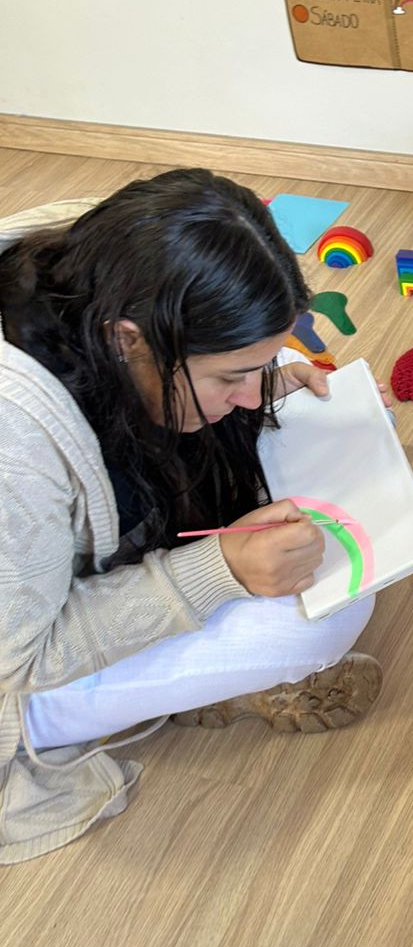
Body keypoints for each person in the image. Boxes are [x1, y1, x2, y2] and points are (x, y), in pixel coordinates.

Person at [0, 169, 381, 864]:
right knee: (328, 607)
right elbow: (25, 655)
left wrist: (268, 376)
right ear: (127, 342)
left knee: (312, 471)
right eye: (229, 375)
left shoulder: (108, 271)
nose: (246, 391)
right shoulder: (13, 444)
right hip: (15, 683)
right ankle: (178, 692)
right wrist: (218, 571)